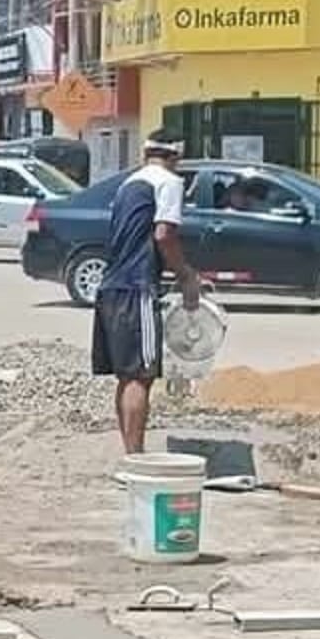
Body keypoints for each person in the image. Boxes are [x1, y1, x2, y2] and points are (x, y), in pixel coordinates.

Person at [92, 130, 200, 454]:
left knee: (127, 377)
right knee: (141, 376)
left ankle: (131, 456)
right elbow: (164, 235)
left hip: (111, 286)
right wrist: (186, 276)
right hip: (137, 287)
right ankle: (136, 459)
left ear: (145, 154)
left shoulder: (128, 184)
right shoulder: (168, 182)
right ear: (175, 157)